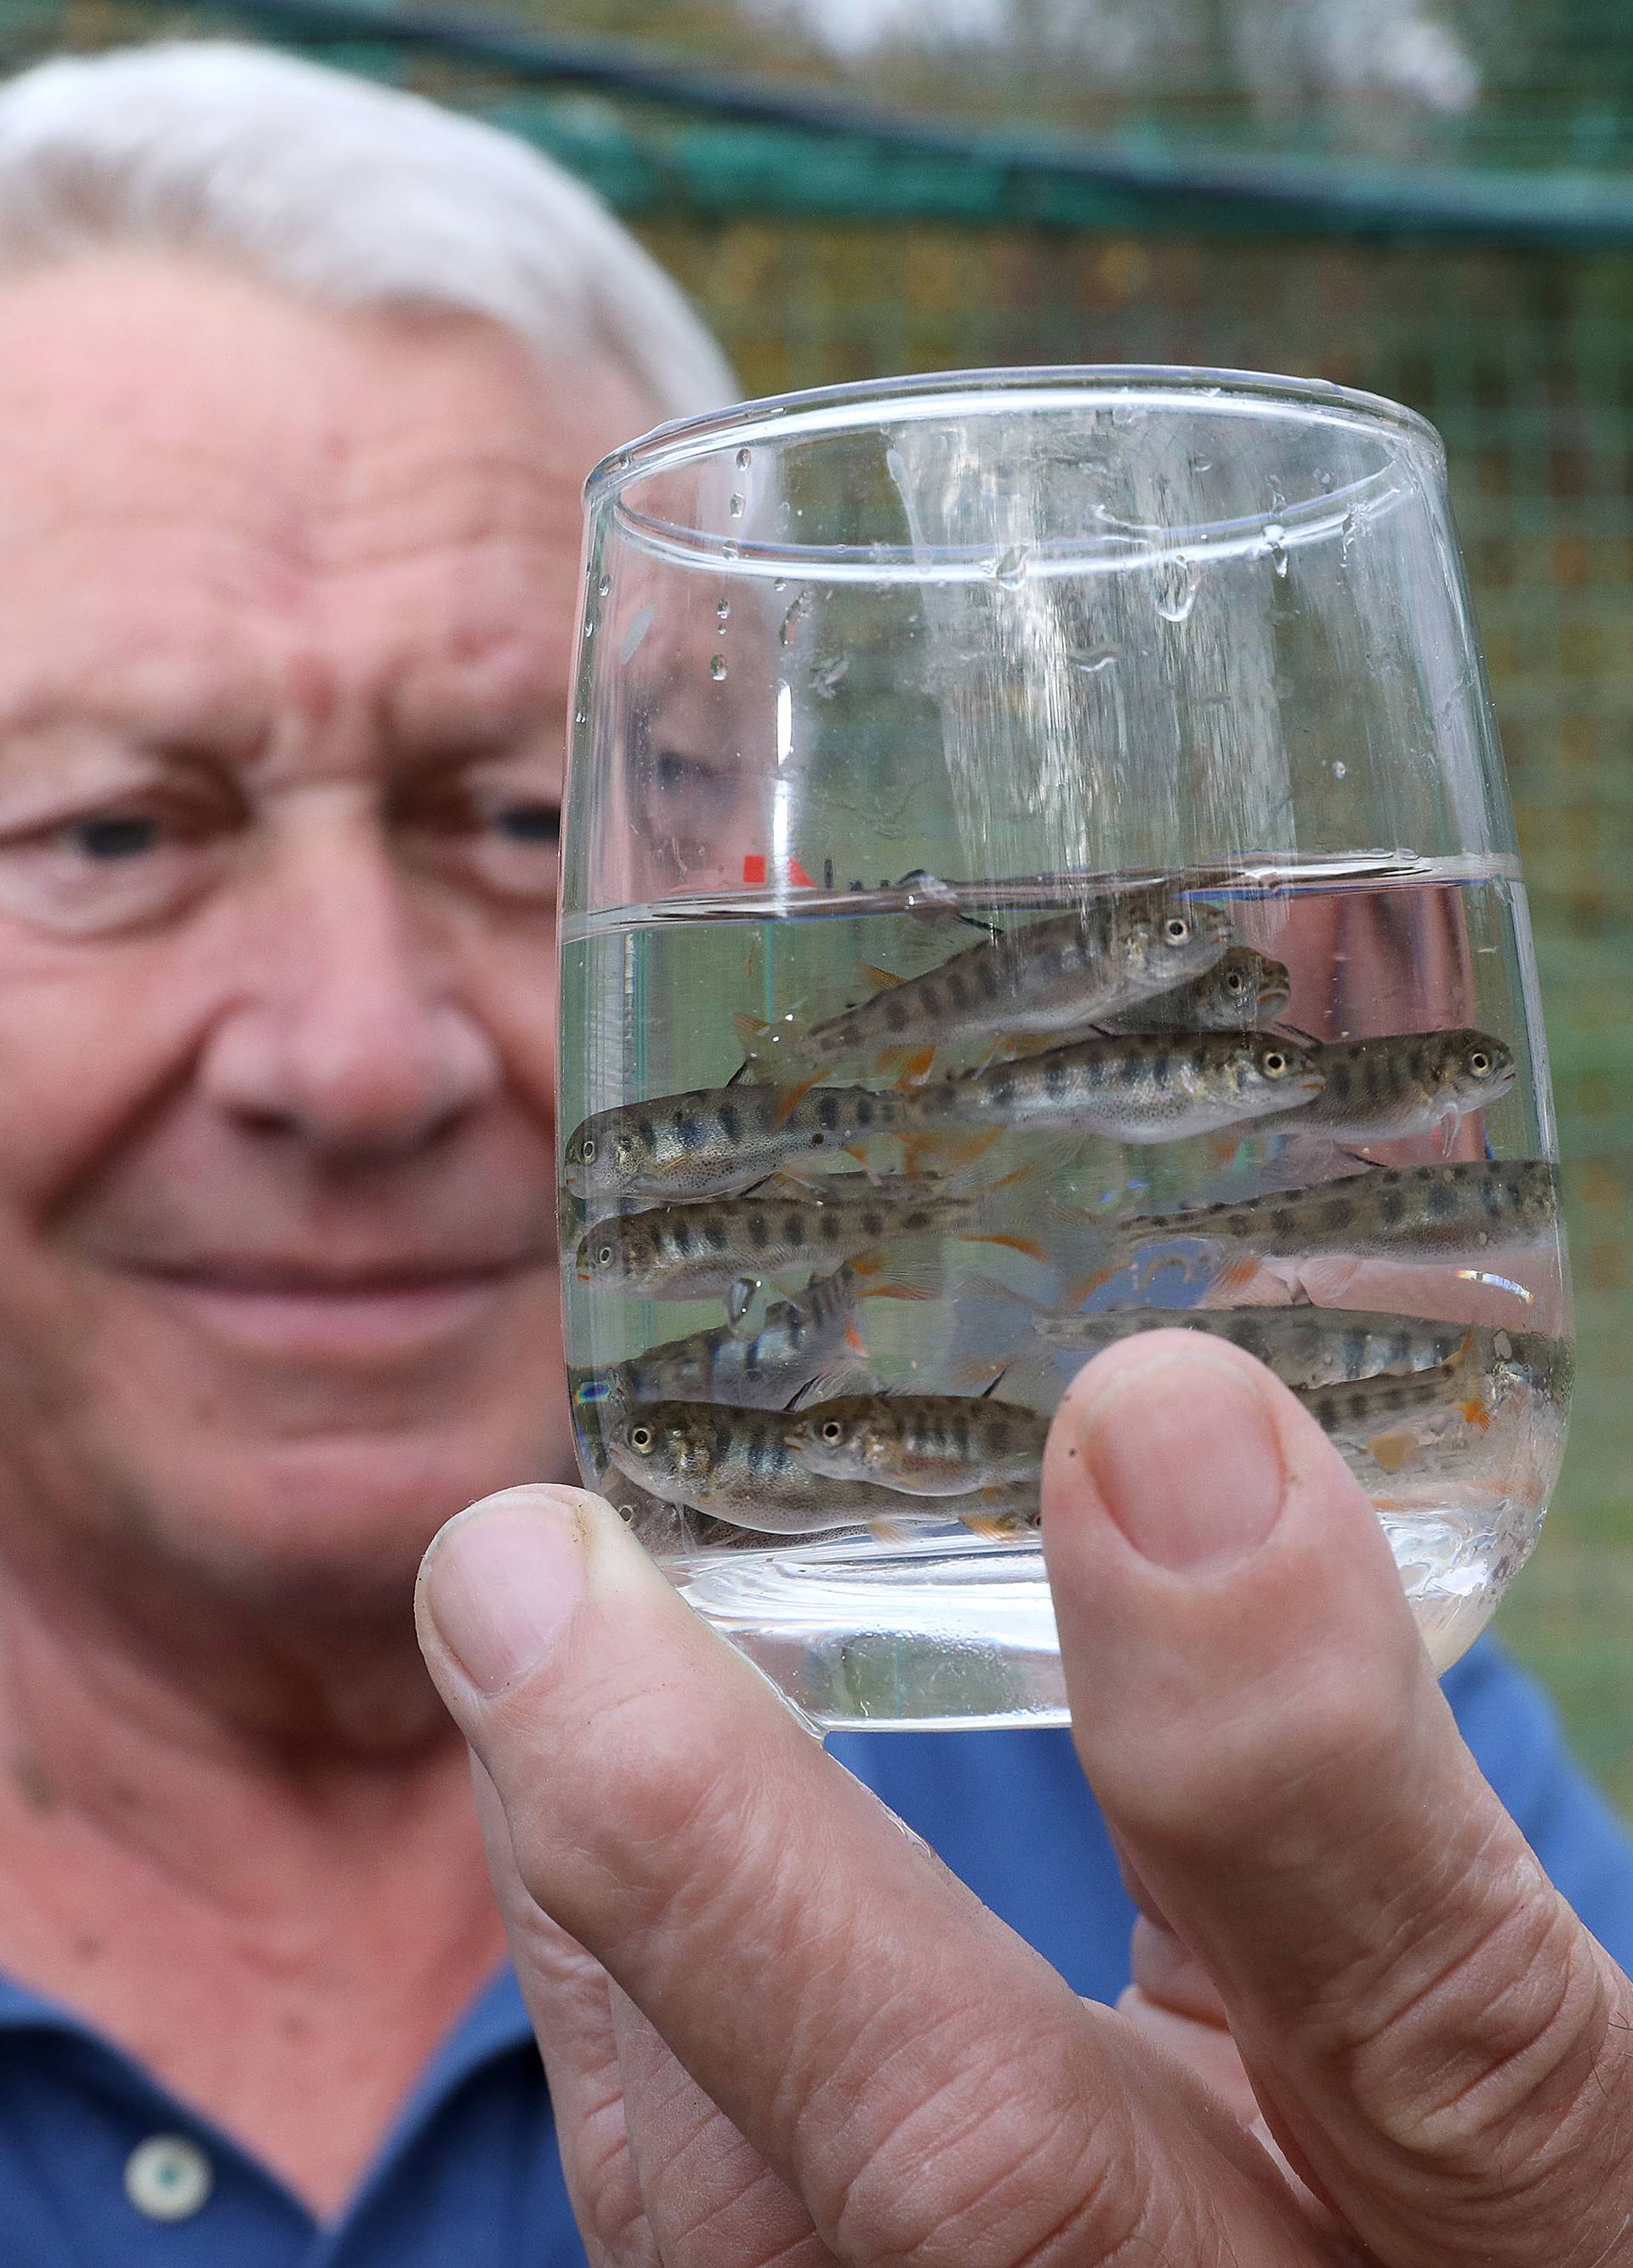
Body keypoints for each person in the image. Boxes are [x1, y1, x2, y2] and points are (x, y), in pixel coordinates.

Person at [0, 34, 1618, 2267]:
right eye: (103, 828)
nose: (357, 1060)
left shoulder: (1271, 1731)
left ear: (747, 832)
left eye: (521, 813)